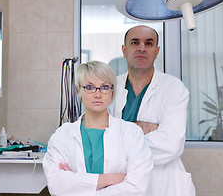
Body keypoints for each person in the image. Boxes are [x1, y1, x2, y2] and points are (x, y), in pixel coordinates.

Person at [43, 61, 153, 196]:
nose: (97, 94)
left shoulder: (131, 133)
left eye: (105, 87)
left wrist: (76, 184)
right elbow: (56, 184)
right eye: (89, 87)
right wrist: (110, 179)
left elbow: (138, 187)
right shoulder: (63, 134)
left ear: (112, 91)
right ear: (79, 90)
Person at [109, 25, 196, 196]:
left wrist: (119, 136)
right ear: (124, 50)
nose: (141, 47)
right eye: (135, 42)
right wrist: (144, 128)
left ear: (156, 52)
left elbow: (170, 145)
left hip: (163, 185)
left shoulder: (173, 88)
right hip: (120, 185)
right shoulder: (109, 88)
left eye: (149, 43)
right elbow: (97, 134)